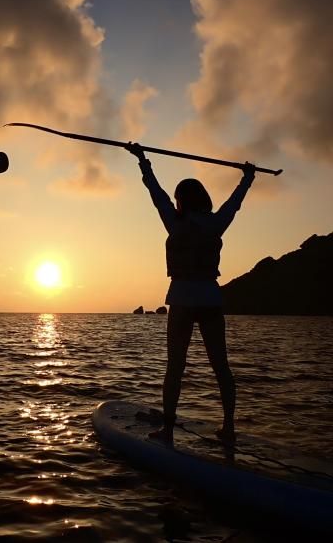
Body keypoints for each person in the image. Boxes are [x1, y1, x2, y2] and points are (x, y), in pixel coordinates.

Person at [125, 142, 255, 444]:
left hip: (183, 298)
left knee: (175, 367)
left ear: (181, 200)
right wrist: (248, 178)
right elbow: (235, 202)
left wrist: (143, 160)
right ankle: (229, 427)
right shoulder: (215, 224)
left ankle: (168, 430)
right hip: (210, 298)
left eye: (176, 198)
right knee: (220, 365)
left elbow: (154, 192)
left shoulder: (175, 221)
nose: (174, 201)